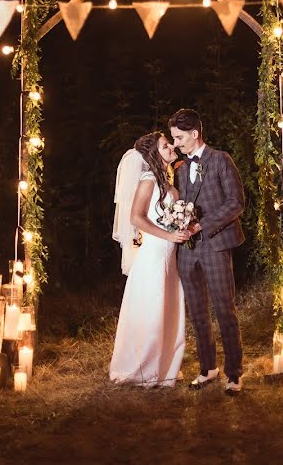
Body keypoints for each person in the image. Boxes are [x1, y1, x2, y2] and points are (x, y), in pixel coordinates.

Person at [169, 109, 246, 395]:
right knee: (198, 312)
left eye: (179, 137)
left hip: (215, 244)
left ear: (194, 134)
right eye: (174, 138)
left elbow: (236, 203)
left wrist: (202, 225)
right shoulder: (179, 168)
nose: (176, 143)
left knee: (225, 309)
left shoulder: (220, 160)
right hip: (187, 250)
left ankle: (234, 374)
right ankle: (208, 368)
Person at [110, 132, 191, 387]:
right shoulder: (148, 180)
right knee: (152, 309)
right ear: (154, 154)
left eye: (169, 143)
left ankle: (165, 365)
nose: (170, 147)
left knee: (168, 308)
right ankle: (142, 368)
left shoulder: (166, 180)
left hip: (169, 256)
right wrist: (168, 234)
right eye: (165, 145)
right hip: (153, 255)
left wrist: (186, 227)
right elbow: (136, 218)